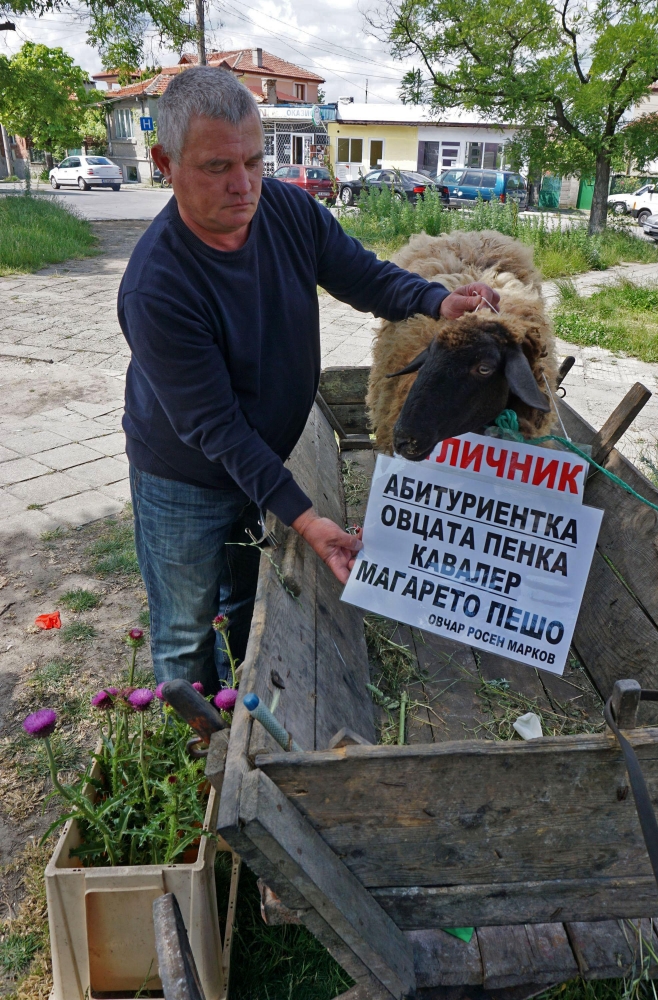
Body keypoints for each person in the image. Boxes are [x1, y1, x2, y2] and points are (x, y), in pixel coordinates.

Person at [118, 66, 500, 691]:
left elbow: (366, 276)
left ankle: (242, 714)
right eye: (217, 167)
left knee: (246, 595)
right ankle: (188, 750)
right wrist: (306, 516)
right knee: (185, 628)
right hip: (183, 475)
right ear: (166, 162)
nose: (243, 186)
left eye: (252, 161)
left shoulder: (288, 211)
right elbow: (217, 429)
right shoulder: (157, 287)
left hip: (261, 457)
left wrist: (437, 301)